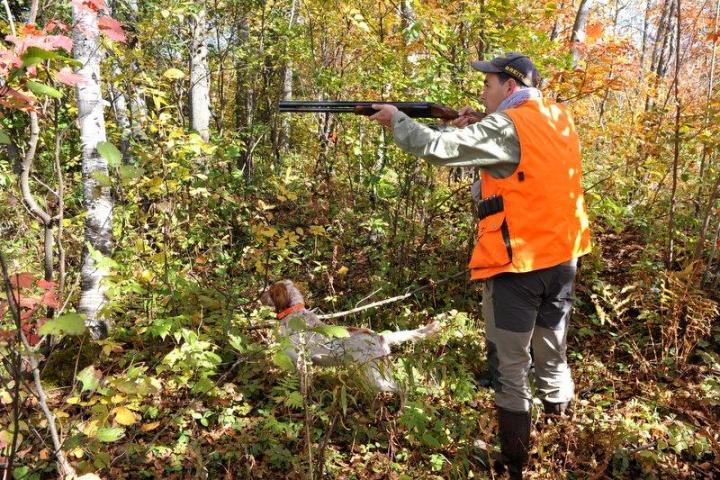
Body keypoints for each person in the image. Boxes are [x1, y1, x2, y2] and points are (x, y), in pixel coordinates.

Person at [368, 52, 592, 479]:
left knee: (510, 370)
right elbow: (526, 168)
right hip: (562, 259)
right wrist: (480, 128)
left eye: (488, 85)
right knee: (552, 354)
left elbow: (437, 146)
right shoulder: (558, 118)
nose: (482, 92)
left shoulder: (507, 125)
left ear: (509, 87)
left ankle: (514, 467)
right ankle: (566, 440)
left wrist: (396, 119)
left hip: (517, 266)